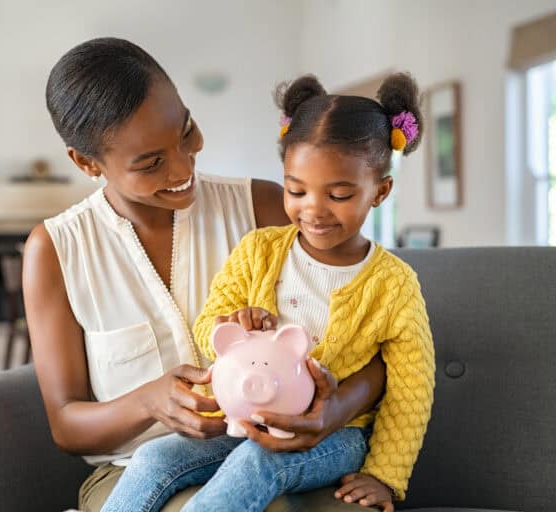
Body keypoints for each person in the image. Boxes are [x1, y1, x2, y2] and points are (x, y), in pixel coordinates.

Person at [23, 37, 387, 512]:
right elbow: (66, 425)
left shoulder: (265, 208)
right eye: (151, 163)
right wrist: (147, 402)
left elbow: (380, 334)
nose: (183, 165)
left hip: (276, 451)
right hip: (134, 475)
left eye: (186, 130)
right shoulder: (56, 250)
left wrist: (334, 411)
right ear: (86, 162)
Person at [101, 73, 435, 512]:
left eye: (338, 194)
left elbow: (413, 389)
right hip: (244, 419)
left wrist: (384, 477)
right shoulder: (259, 250)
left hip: (340, 434)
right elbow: (209, 326)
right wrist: (231, 324)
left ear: (380, 192)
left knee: (257, 463)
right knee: (155, 457)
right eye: (296, 190)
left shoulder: (394, 285)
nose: (312, 209)